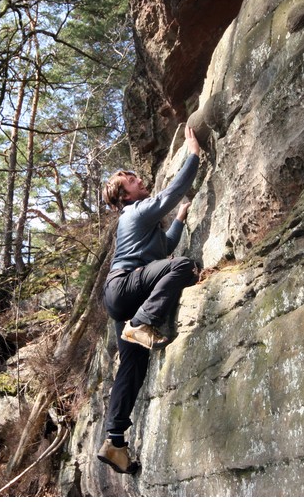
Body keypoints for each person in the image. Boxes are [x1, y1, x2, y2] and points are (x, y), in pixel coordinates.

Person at [96, 124, 201, 474]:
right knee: (183, 266)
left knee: (132, 367)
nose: (141, 180)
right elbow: (171, 194)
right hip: (125, 288)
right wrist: (193, 156)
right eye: (133, 181)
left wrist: (181, 221)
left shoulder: (145, 226)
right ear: (125, 196)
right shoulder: (135, 212)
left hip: (122, 296)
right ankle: (142, 323)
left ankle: (115, 442)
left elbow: (164, 249)